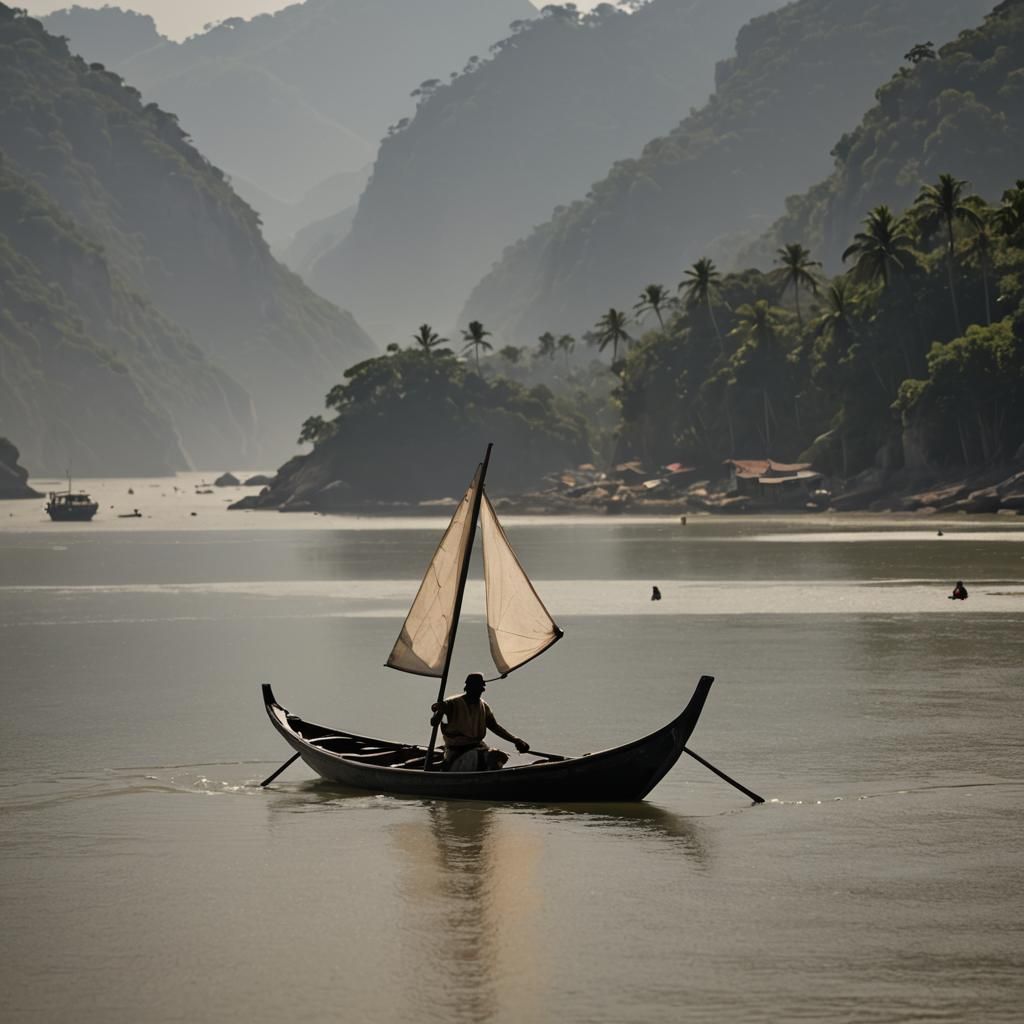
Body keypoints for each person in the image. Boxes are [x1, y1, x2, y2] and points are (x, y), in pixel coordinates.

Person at [430, 673, 529, 771]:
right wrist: (440, 711)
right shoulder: (451, 704)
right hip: (457, 751)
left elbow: (494, 727)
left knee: (500, 756)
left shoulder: (483, 706)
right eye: (476, 687)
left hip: (477, 747)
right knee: (488, 757)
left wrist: (516, 740)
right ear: (468, 687)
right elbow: (434, 722)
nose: (480, 691)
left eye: (480, 688)